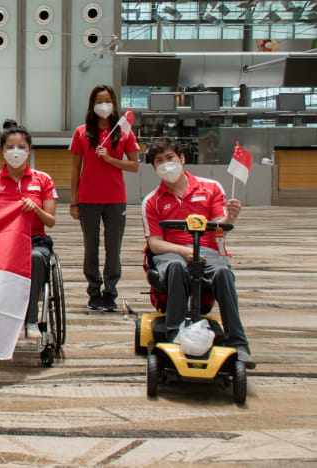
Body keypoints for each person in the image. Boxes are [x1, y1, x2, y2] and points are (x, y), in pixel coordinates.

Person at [141, 137, 254, 367]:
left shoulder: (211, 188)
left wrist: (230, 217)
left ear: (182, 159)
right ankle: (174, 334)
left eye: (170, 158)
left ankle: (238, 341)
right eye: (159, 161)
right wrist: (182, 251)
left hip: (207, 250)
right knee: (176, 267)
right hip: (171, 251)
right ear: (154, 168)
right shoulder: (151, 201)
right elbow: (155, 243)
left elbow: (219, 225)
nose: (166, 164)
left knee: (222, 272)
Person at [0, 119, 57, 339]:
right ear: (2, 150)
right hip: (3, 242)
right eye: (10, 147)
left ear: (30, 149)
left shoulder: (43, 180)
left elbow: (50, 221)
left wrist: (36, 211)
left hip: (35, 241)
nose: (16, 151)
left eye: (21, 147)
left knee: (33, 258)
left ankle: (31, 320)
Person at [69, 84, 139, 312]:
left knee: (113, 247)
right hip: (88, 199)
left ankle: (110, 292)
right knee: (91, 247)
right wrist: (74, 201)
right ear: (92, 105)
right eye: (99, 101)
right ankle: (93, 291)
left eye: (107, 100)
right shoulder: (81, 132)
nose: (103, 105)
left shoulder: (124, 132)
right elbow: (75, 168)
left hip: (115, 199)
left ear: (114, 103)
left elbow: (134, 165)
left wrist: (110, 159)